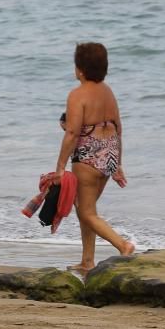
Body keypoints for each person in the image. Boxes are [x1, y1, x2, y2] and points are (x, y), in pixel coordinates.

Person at [55, 42, 135, 273]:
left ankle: (123, 245)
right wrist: (117, 164)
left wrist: (60, 167)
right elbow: (118, 127)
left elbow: (72, 133)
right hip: (109, 152)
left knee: (86, 212)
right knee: (86, 209)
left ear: (79, 69)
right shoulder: (108, 91)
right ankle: (87, 261)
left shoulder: (77, 95)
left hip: (88, 155)